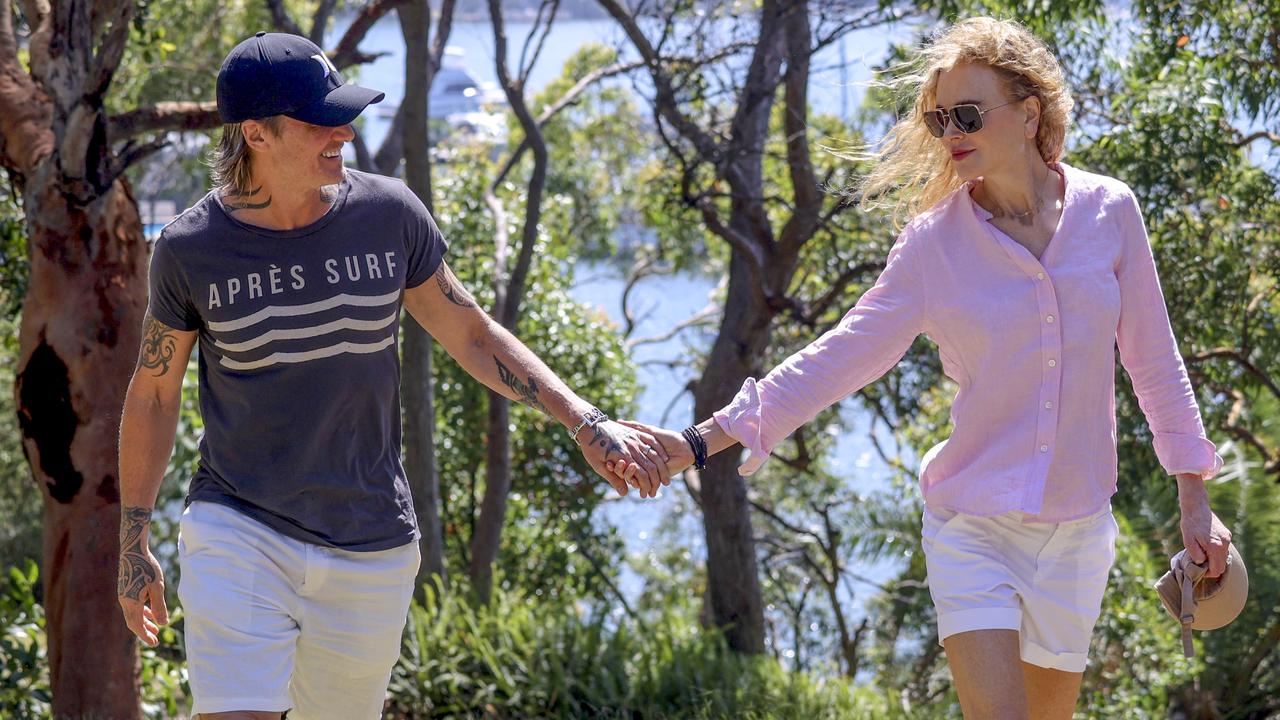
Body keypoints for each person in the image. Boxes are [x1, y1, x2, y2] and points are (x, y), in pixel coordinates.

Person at [611, 17, 1232, 720]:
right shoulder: (932, 247)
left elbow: (1155, 361)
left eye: (967, 113)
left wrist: (1194, 498)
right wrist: (697, 443)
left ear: (1028, 113)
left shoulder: (1110, 212)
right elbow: (835, 359)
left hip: (1078, 535)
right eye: (938, 119)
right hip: (973, 529)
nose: (949, 133)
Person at [115, 32, 670, 720]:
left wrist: (584, 420)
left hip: (370, 540)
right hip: (240, 526)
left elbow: (470, 332)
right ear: (256, 133)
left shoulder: (388, 216)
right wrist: (133, 540)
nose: (345, 132)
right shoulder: (190, 249)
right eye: (323, 120)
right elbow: (154, 393)